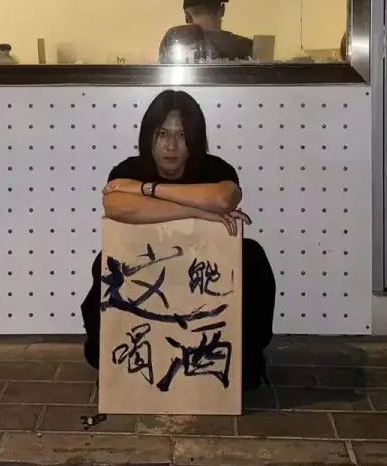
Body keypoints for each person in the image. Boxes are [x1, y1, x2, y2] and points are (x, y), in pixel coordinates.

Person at [80, 89, 276, 389]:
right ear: (148, 136)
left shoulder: (214, 168)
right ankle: (115, 357)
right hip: (147, 266)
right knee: (104, 262)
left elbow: (224, 199)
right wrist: (198, 211)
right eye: (162, 134)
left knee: (251, 256)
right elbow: (116, 206)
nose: (171, 145)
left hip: (203, 266)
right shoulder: (129, 169)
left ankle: (243, 359)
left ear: (195, 139)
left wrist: (148, 190)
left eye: (182, 135)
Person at [158, 0, 253, 63]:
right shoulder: (246, 46)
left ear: (187, 16)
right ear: (222, 10)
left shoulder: (171, 40)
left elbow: (162, 76)